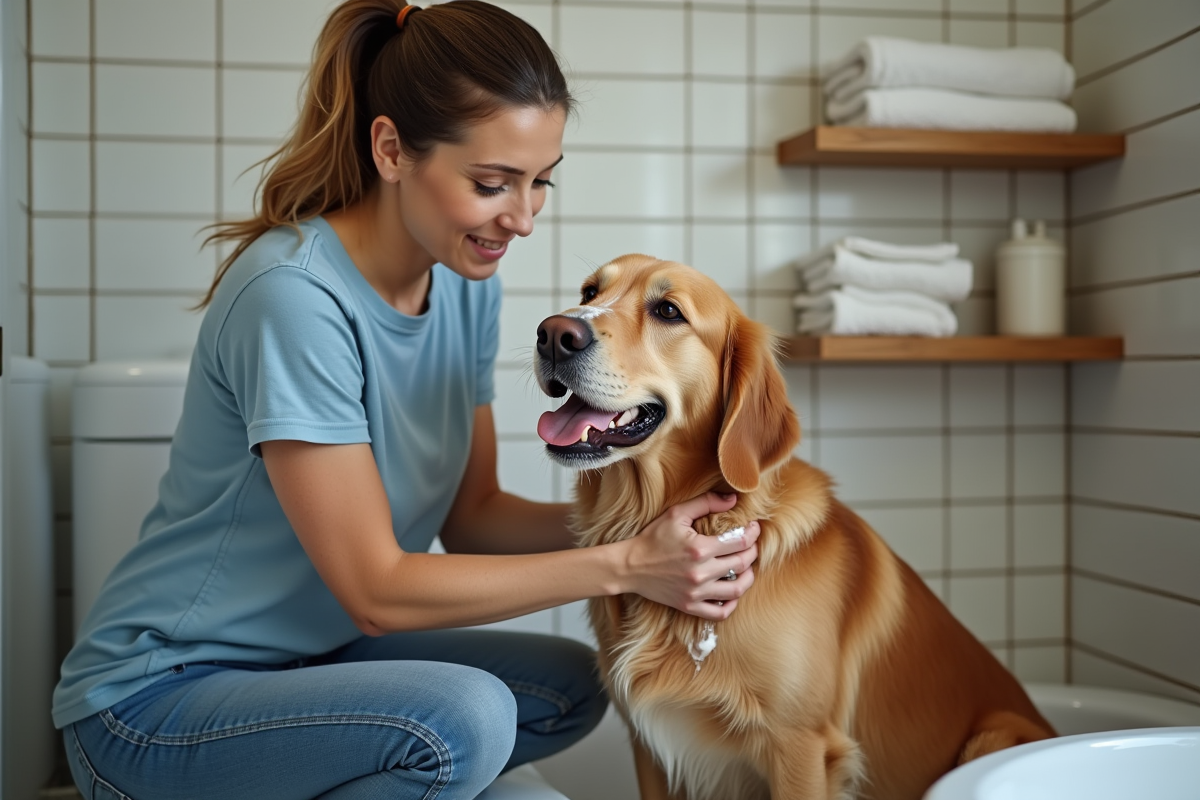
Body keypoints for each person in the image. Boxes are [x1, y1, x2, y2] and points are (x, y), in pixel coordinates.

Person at [51, 2, 761, 798]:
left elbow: (475, 516)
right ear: (391, 149)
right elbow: (378, 590)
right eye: (492, 184)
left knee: (574, 683)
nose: (522, 219)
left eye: (539, 183)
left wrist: (676, 534)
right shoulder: (293, 296)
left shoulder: (463, 286)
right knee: (466, 716)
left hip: (314, 665)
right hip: (155, 707)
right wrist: (628, 565)